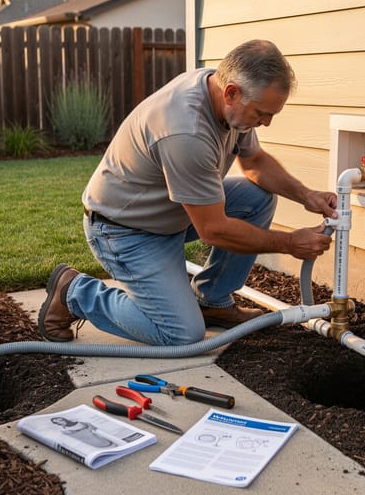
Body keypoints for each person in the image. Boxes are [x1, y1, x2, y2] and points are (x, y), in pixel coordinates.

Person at [38, 39, 337, 346]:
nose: (267, 123)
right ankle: (75, 292)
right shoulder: (187, 130)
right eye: (262, 113)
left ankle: (212, 301)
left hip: (168, 215)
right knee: (182, 334)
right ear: (232, 92)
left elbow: (255, 163)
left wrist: (307, 195)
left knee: (255, 197)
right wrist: (289, 243)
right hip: (124, 231)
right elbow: (214, 230)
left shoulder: (223, 93)